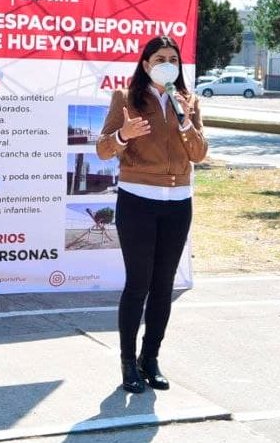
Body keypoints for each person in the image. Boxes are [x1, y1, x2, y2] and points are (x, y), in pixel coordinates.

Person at [97, 36, 208, 393]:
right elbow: (102, 150)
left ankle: (151, 358)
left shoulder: (188, 102)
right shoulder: (125, 99)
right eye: (159, 58)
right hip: (138, 201)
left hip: (178, 202)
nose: (167, 64)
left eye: (172, 59)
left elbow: (200, 153)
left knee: (163, 286)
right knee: (138, 285)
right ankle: (128, 363)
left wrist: (186, 123)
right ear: (145, 65)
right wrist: (123, 134)